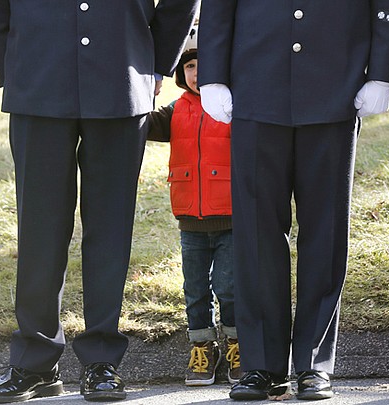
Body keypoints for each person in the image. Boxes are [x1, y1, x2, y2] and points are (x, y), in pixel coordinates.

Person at [0, 0, 199, 403]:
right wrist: (11, 62)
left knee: (110, 230)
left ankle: (102, 360)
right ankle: (34, 361)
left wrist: (155, 62)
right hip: (36, 76)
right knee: (40, 230)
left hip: (121, 74)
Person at [197, 0, 389, 401]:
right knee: (257, 235)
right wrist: (213, 75)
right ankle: (261, 365)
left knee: (325, 233)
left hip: (334, 87)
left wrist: (382, 73)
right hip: (256, 84)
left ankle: (314, 363)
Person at [146, 25, 241, 387]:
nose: (198, 73)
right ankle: (202, 347)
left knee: (229, 286)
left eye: (206, 64)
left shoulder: (233, 105)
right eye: (190, 67)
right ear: (179, 73)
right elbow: (143, 122)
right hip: (190, 218)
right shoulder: (175, 111)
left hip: (229, 215)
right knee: (194, 288)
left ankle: (237, 343)